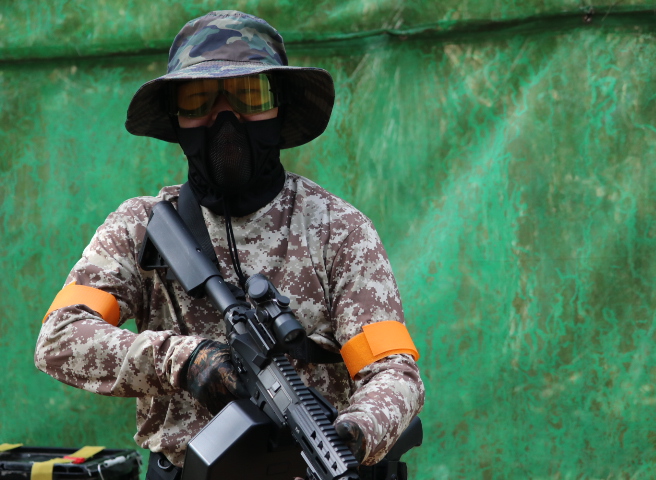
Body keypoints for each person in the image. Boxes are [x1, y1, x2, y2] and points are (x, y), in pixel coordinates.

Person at [35, 10, 425, 479]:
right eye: (198, 99)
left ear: (279, 108)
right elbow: (59, 337)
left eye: (249, 95)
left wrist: (356, 432)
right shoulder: (140, 227)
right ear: (177, 119)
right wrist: (183, 360)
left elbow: (393, 372)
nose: (225, 118)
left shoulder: (336, 229)